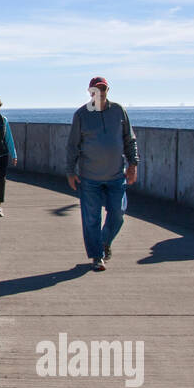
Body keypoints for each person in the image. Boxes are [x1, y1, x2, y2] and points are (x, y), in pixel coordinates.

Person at [65, 77, 139, 271]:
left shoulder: (118, 111)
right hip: (89, 177)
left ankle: (104, 242)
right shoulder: (81, 115)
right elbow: (73, 146)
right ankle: (97, 256)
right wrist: (70, 171)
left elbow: (129, 139)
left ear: (108, 90)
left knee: (118, 213)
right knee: (91, 218)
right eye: (96, 89)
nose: (100, 92)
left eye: (103, 88)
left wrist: (133, 164)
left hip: (116, 176)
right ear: (90, 92)